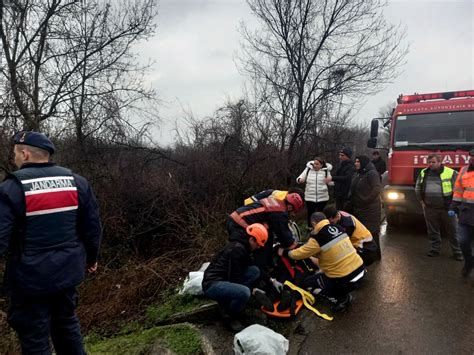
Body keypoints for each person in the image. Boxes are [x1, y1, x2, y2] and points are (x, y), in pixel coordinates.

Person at [0, 131, 102, 354]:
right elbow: (92, 227)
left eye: (15, 154)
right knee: (67, 326)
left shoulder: (12, 188)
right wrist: (92, 258)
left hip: (30, 280)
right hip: (67, 274)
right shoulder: (76, 183)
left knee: (35, 338)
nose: (14, 158)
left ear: (25, 154)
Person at [278, 212, 365, 312]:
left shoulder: (318, 237)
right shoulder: (338, 228)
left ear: (314, 223)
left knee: (307, 283)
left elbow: (297, 255)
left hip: (345, 279)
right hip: (360, 270)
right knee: (328, 273)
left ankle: (340, 299)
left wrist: (284, 252)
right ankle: (342, 291)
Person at [202, 223, 275, 332]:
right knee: (245, 292)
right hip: (213, 284)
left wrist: (271, 280)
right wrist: (253, 291)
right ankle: (229, 315)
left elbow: (254, 266)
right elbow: (234, 278)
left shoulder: (244, 247)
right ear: (251, 239)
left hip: (225, 278)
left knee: (254, 271)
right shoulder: (237, 250)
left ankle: (236, 300)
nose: (258, 247)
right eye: (258, 245)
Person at [228, 193, 304, 271]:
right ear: (290, 207)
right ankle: (257, 272)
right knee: (258, 246)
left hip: (237, 219)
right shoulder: (280, 212)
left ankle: (267, 265)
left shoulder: (277, 203)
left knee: (267, 238)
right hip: (240, 223)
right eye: (294, 212)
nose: (293, 215)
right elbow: (283, 234)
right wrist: (293, 244)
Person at [415, 153, 462, 259]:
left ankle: (458, 252)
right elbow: (418, 187)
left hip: (447, 208)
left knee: (453, 231)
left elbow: (459, 189)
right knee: (432, 231)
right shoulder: (424, 172)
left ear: (440, 162)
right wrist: (421, 202)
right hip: (430, 208)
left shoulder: (451, 173)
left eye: (433, 162)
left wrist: (455, 205)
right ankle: (435, 250)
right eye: (429, 162)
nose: (430, 164)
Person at [349, 155, 382, 259]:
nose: (355, 163)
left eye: (358, 161)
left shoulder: (372, 173)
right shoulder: (358, 174)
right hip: (359, 208)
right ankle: (366, 254)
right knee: (361, 232)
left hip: (370, 209)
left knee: (372, 232)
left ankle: (375, 256)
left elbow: (377, 189)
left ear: (363, 162)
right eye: (355, 161)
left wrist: (366, 200)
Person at [449, 149, 474, 277]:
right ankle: (469, 262)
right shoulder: (464, 170)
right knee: (463, 241)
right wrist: (453, 207)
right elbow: (458, 191)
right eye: (471, 156)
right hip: (466, 212)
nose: (472, 159)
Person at [296, 157, 332, 229]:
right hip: (309, 196)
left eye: (317, 164)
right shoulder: (308, 169)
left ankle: (321, 227)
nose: (315, 165)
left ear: (321, 165)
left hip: (322, 197)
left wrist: (329, 181)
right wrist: (300, 180)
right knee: (310, 212)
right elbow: (299, 178)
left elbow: (331, 183)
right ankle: (310, 227)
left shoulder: (326, 171)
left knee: (321, 213)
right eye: (314, 164)